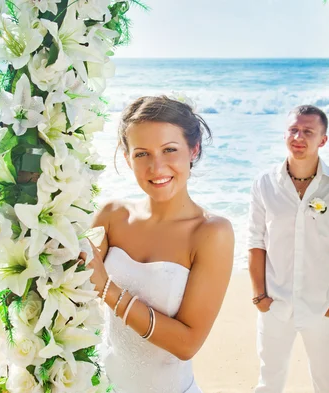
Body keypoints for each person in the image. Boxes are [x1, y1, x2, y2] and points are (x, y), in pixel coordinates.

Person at [82, 95, 234, 393]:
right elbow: (72, 280)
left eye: (169, 150)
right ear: (127, 159)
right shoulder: (111, 216)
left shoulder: (211, 233)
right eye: (142, 154)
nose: (157, 166)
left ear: (194, 149)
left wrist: (108, 290)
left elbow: (187, 344)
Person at [247, 105, 329, 393]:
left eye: (308, 131)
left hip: (323, 305)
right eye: (293, 130)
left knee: (327, 384)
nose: (299, 137)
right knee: (268, 383)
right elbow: (256, 242)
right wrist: (259, 296)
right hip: (275, 303)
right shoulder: (264, 183)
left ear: (323, 140)